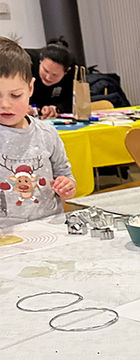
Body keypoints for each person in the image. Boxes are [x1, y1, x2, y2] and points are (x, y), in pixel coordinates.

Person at [0, 38, 76, 226]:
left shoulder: (47, 133)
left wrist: (67, 186)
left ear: (30, 88)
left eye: (15, 95)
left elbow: (64, 174)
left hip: (49, 226)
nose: (5, 104)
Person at [26, 37, 75, 119]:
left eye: (55, 75)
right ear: (40, 61)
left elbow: (74, 100)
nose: (48, 77)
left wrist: (57, 108)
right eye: (45, 70)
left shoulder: (74, 71)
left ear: (66, 72)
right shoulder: (26, 62)